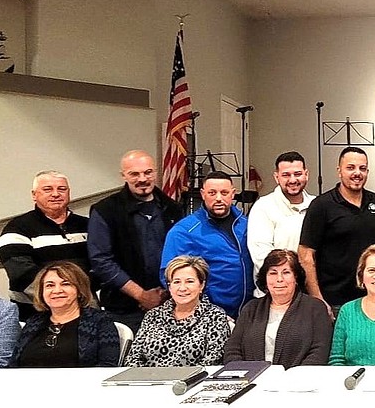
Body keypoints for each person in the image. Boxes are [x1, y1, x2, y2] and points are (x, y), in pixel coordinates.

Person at [88, 150, 184, 332]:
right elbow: (101, 260)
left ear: (156, 173)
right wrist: (141, 295)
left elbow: (182, 256)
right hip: (122, 310)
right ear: (123, 175)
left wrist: (166, 292)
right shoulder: (105, 210)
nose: (142, 179)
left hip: (170, 304)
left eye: (148, 172)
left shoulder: (173, 208)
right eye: (134, 174)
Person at [299, 147, 375, 311]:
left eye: (362, 168)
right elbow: (306, 255)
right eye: (350, 167)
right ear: (339, 171)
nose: (357, 173)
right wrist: (318, 299)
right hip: (334, 301)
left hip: (372, 297)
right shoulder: (321, 205)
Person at [0, 170, 92, 321]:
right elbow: (21, 275)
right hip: (33, 316)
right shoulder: (16, 228)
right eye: (47, 189)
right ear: (34, 195)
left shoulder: (88, 226)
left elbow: (100, 265)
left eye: (62, 189)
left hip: (85, 313)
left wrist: (78, 300)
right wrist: (62, 300)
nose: (55, 194)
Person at [160, 171, 253, 318]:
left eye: (224, 192)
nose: (218, 198)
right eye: (212, 193)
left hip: (249, 313)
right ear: (203, 194)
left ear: (233, 194)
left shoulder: (248, 224)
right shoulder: (183, 231)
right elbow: (168, 276)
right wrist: (203, 309)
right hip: (208, 317)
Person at [223, 249, 333, 367]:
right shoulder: (250, 309)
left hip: (298, 381)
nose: (279, 279)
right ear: (265, 278)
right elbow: (232, 350)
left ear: (296, 277)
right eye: (273, 273)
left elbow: (319, 352)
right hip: (252, 380)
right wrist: (247, 373)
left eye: (286, 272)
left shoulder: (315, 308)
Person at [125, 256, 231, 367]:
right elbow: (133, 358)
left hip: (193, 381)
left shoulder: (215, 316)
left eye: (189, 281)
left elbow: (213, 361)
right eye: (176, 282)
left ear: (201, 285)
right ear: (169, 287)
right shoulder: (153, 316)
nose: (182, 288)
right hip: (149, 381)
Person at [15, 261, 120, 367]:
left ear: (79, 290)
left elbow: (107, 365)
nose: (57, 290)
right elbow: (13, 365)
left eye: (65, 284)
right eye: (50, 285)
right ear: (41, 292)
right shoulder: (33, 323)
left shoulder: (100, 321)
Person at [247, 151, 315, 298]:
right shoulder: (263, 207)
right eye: (286, 175)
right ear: (276, 177)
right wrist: (290, 276)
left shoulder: (317, 205)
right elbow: (261, 255)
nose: (292, 180)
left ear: (306, 174)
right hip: (274, 293)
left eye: (297, 174)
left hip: (310, 293)